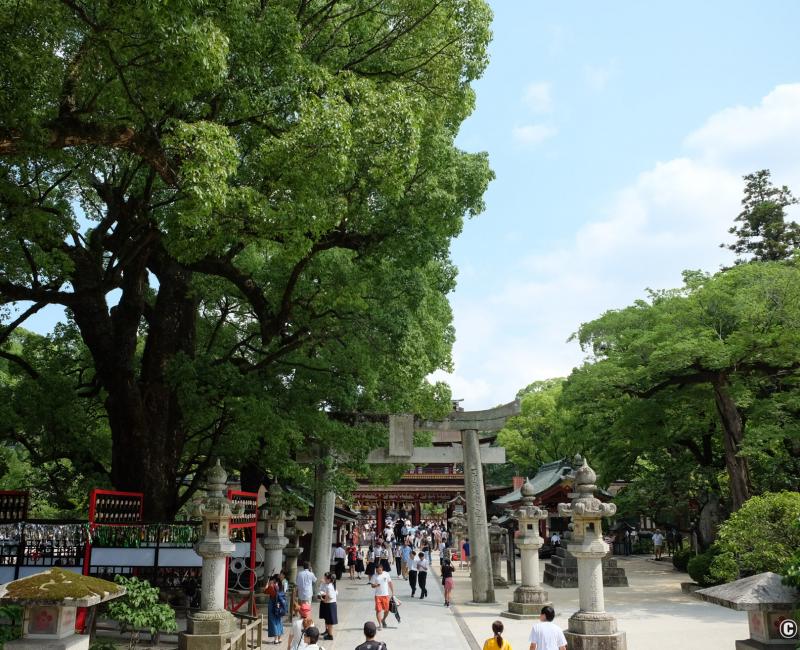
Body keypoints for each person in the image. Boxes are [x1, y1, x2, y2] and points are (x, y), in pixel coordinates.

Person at [369, 562, 395, 628]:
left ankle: (383, 620)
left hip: (385, 595)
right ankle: (380, 624)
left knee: (386, 610)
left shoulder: (386, 574)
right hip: (378, 596)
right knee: (378, 610)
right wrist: (376, 585)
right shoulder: (374, 576)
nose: (378, 572)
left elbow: (390, 583)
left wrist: (393, 592)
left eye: (380, 570)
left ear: (382, 569)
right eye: (377, 571)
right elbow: (372, 585)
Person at [265, 574, 287, 644]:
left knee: (273, 621)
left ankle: (276, 639)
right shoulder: (281, 586)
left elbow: (265, 590)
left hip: (273, 604)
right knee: (279, 620)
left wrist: (268, 582)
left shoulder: (272, 586)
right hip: (279, 605)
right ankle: (279, 638)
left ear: (274, 580)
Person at [318, 572, 338, 641]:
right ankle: (329, 634)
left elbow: (328, 597)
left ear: (329, 579)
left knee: (329, 622)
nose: (325, 580)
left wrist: (322, 599)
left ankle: (330, 635)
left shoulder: (329, 586)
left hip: (330, 604)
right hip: (332, 604)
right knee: (329, 621)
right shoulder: (332, 585)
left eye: (326, 579)